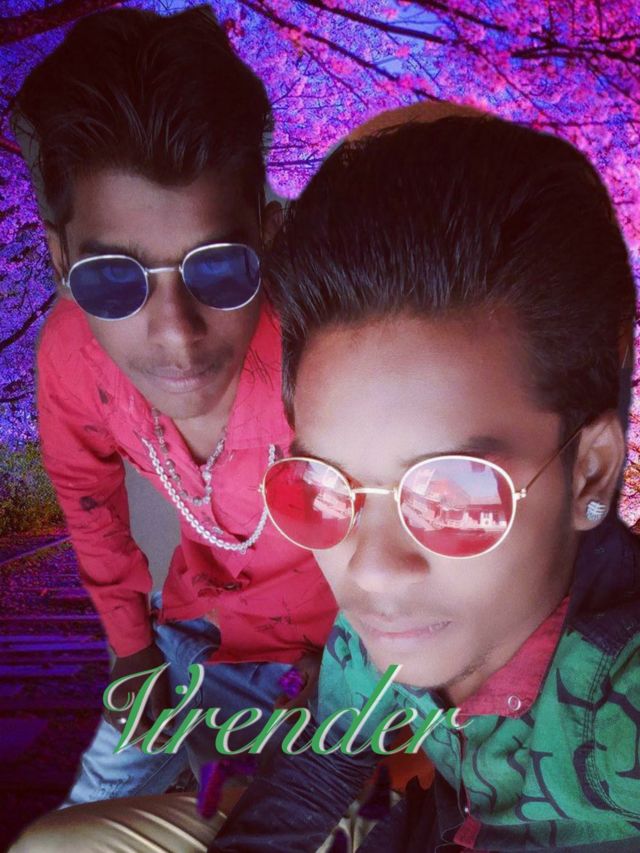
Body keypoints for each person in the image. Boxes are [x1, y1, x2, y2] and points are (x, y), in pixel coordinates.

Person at [12, 109, 640, 852]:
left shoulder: (617, 716)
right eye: (325, 489)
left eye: (450, 496)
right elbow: (320, 764)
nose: (369, 571)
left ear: (592, 470)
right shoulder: (381, 629)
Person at [12, 4, 336, 806]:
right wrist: (131, 651)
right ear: (58, 259)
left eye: (218, 266)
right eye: (112, 279)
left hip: (344, 653)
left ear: (268, 233)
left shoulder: (328, 350)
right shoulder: (70, 355)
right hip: (192, 631)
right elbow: (88, 501)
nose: (176, 332)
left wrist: (360, 668)